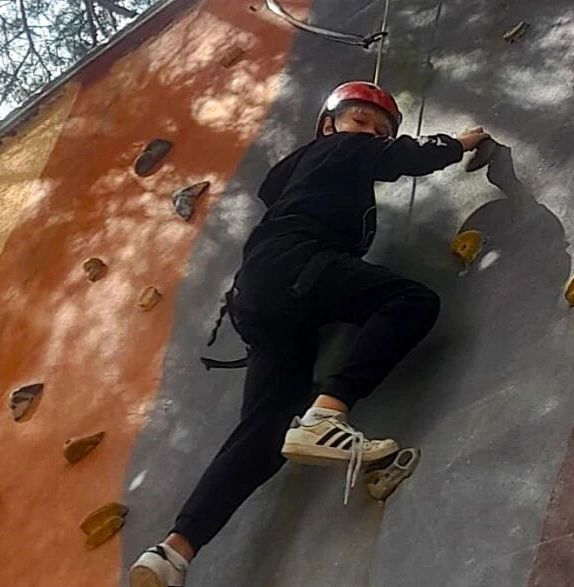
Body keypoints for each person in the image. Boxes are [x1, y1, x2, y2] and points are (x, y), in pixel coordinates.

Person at [128, 81, 489, 587]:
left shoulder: (304, 175)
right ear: (329, 126)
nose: (371, 134)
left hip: (260, 296)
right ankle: (328, 413)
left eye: (381, 129)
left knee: (265, 430)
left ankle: (173, 551)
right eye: (361, 121)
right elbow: (403, 157)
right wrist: (457, 144)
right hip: (294, 266)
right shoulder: (338, 149)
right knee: (411, 302)